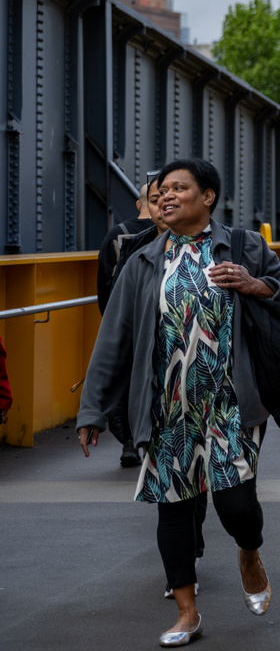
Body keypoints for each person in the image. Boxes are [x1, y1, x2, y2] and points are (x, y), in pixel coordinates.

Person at [75, 157, 280, 647]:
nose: (166, 197)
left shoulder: (244, 245)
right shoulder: (142, 261)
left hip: (230, 404)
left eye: (179, 188)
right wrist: (93, 409)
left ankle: (248, 551)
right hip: (168, 409)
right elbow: (112, 339)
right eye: (161, 192)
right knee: (173, 508)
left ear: (208, 197)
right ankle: (186, 612)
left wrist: (255, 284)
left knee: (237, 502)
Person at [96, 175, 167, 469]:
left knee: (131, 377)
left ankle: (131, 440)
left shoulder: (118, 234)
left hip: (131, 321)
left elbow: (105, 288)